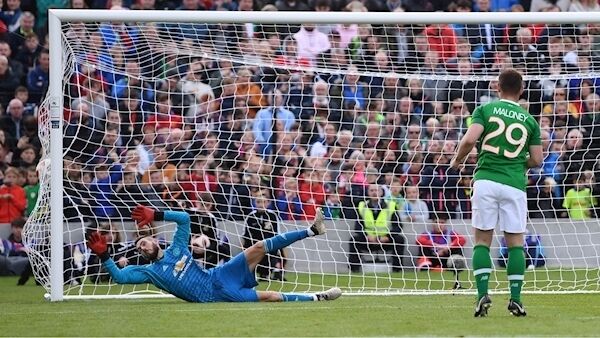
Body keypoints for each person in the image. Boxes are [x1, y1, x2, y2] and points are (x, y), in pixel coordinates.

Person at [87, 205, 341, 303]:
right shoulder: (149, 273)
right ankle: (318, 298)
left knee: (259, 246)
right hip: (216, 294)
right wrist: (104, 256)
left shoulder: (177, 247)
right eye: (140, 247)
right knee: (270, 296)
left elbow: (185, 218)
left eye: (145, 242)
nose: (143, 246)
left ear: (154, 239)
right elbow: (120, 277)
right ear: (143, 255)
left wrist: (157, 214)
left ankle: (311, 229)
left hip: (219, 274)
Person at [450, 68, 543, 317]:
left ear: (497, 87)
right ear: (521, 91)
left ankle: (482, 295)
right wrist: (517, 163)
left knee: (482, 240)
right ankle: (516, 299)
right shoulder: (530, 120)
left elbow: (470, 140)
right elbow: (537, 160)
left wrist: (457, 160)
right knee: (515, 244)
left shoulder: (485, 110)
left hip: (486, 180)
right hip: (514, 184)